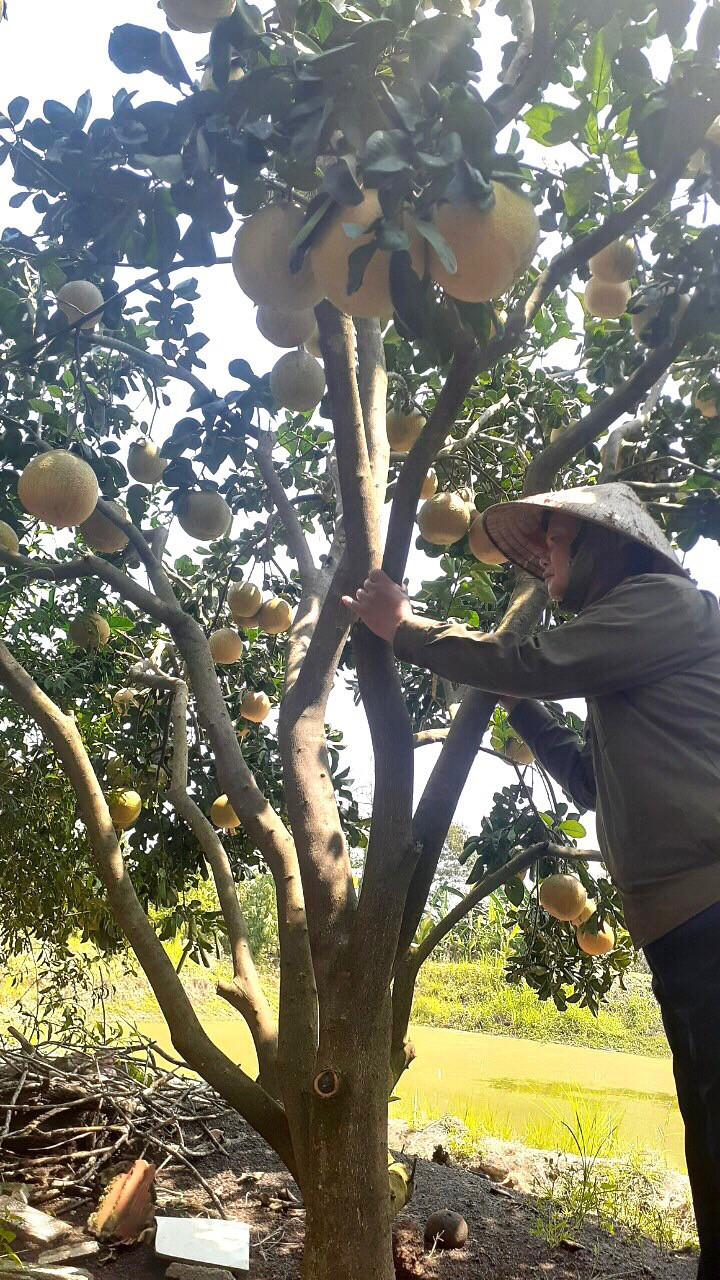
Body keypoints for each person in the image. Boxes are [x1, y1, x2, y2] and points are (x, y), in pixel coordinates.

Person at [343, 482, 720, 1278]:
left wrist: (403, 627)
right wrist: (524, 710)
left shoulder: (665, 603)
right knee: (710, 1132)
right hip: (685, 929)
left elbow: (533, 659)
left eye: (555, 538)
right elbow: (592, 781)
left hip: (713, 914)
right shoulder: (633, 654)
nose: (542, 553)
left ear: (611, 542)